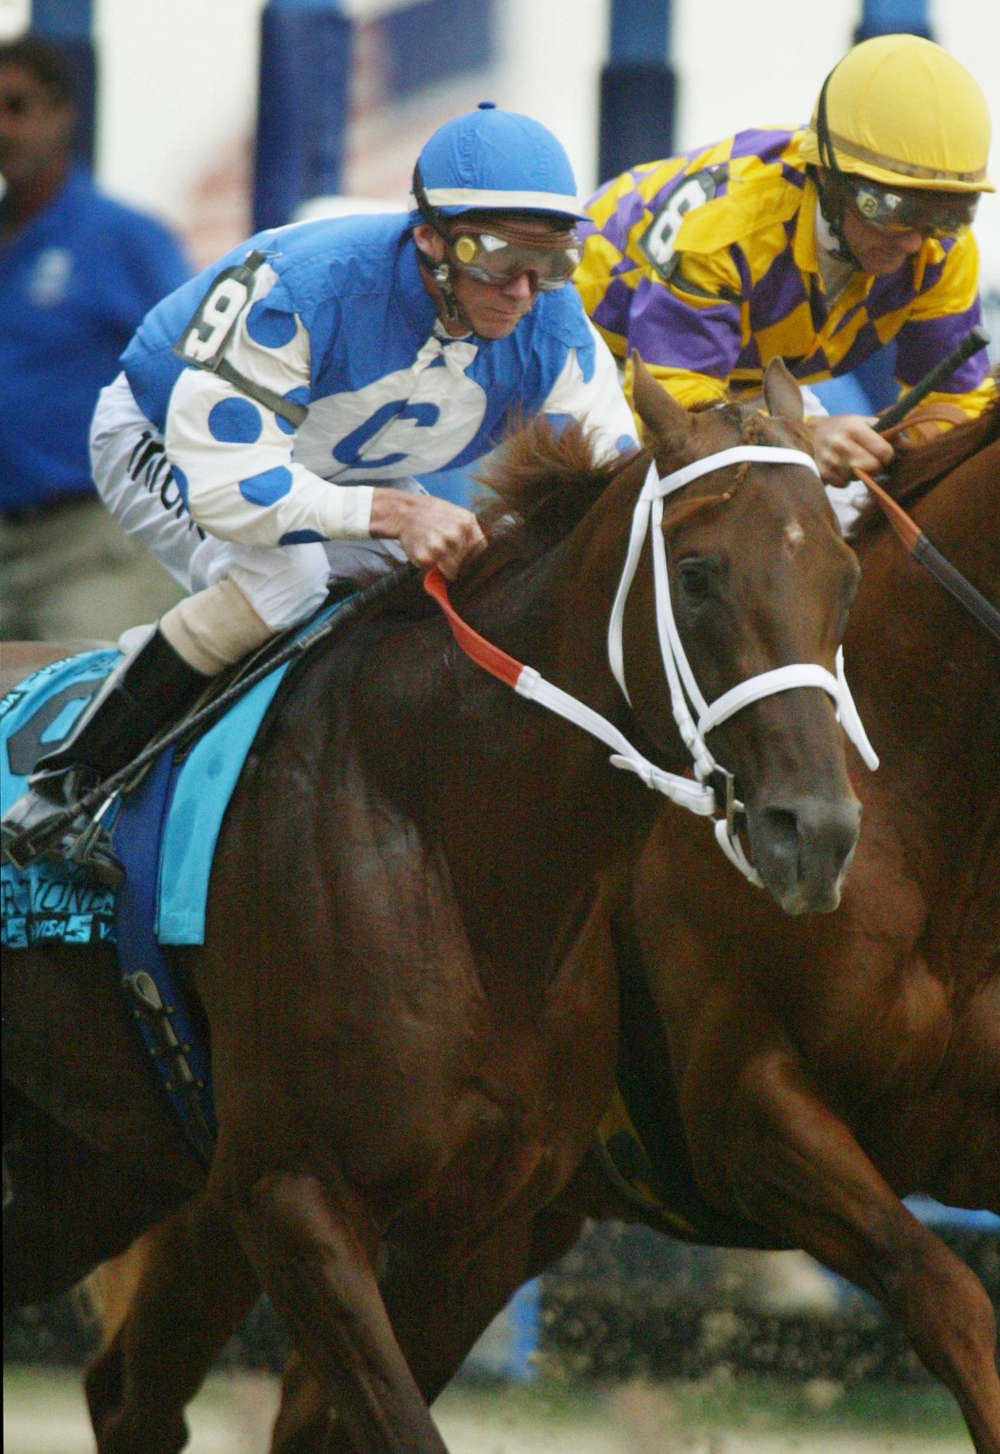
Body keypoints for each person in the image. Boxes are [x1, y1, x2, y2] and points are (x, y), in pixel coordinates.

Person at [2, 102, 638, 882]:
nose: (524, 290)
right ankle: (67, 785)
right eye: (498, 255)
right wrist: (399, 509)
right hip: (175, 441)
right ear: (430, 239)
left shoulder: (555, 328)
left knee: (442, 585)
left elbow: (613, 489)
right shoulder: (301, 288)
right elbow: (234, 493)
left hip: (334, 465)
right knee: (286, 577)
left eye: (553, 260)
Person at [574, 32, 996, 491]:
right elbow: (676, 422)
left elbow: (955, 405)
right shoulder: (725, 225)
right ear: (826, 174)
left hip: (738, 384)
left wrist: (902, 450)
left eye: (947, 213)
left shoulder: (942, 248)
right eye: (891, 208)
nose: (915, 241)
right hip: (600, 356)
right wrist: (808, 438)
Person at [0, 34, 193, 639]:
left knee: (85, 717)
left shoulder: (122, 237)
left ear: (63, 114)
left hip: (91, 544)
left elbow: (197, 365)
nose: (3, 128)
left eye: (17, 107)